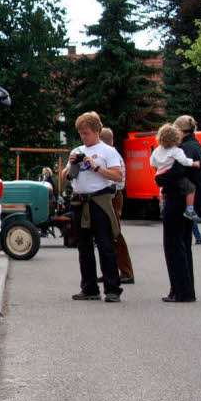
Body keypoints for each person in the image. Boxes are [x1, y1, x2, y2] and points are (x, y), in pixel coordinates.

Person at [65, 112, 124, 303]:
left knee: (105, 245)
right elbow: (63, 178)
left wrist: (95, 167)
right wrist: (70, 166)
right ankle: (89, 287)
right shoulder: (77, 150)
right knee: (84, 247)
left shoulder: (108, 151)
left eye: (87, 133)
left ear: (97, 131)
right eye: (81, 133)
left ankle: (112, 288)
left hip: (100, 201)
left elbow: (117, 176)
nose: (84, 137)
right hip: (80, 202)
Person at [162, 115, 201, 303]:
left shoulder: (182, 149)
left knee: (173, 246)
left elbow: (177, 174)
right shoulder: (197, 146)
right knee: (184, 245)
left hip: (178, 199)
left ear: (179, 131)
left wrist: (160, 180)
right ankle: (186, 289)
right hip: (191, 200)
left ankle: (181, 291)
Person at [99, 127, 134, 284]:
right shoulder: (114, 155)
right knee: (108, 236)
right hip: (114, 196)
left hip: (112, 197)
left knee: (115, 234)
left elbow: (114, 181)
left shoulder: (111, 156)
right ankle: (112, 271)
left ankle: (126, 272)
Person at [149, 124, 201, 221]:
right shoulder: (176, 151)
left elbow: (152, 163)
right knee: (191, 188)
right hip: (172, 176)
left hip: (159, 177)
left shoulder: (157, 150)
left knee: (163, 190)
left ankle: (163, 205)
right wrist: (194, 163)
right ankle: (190, 210)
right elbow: (184, 161)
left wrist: (159, 167)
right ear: (176, 138)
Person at [175, 115, 201, 246]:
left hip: (188, 197)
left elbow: (181, 172)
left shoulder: (186, 148)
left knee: (182, 243)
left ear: (180, 130)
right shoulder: (196, 145)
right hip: (198, 195)